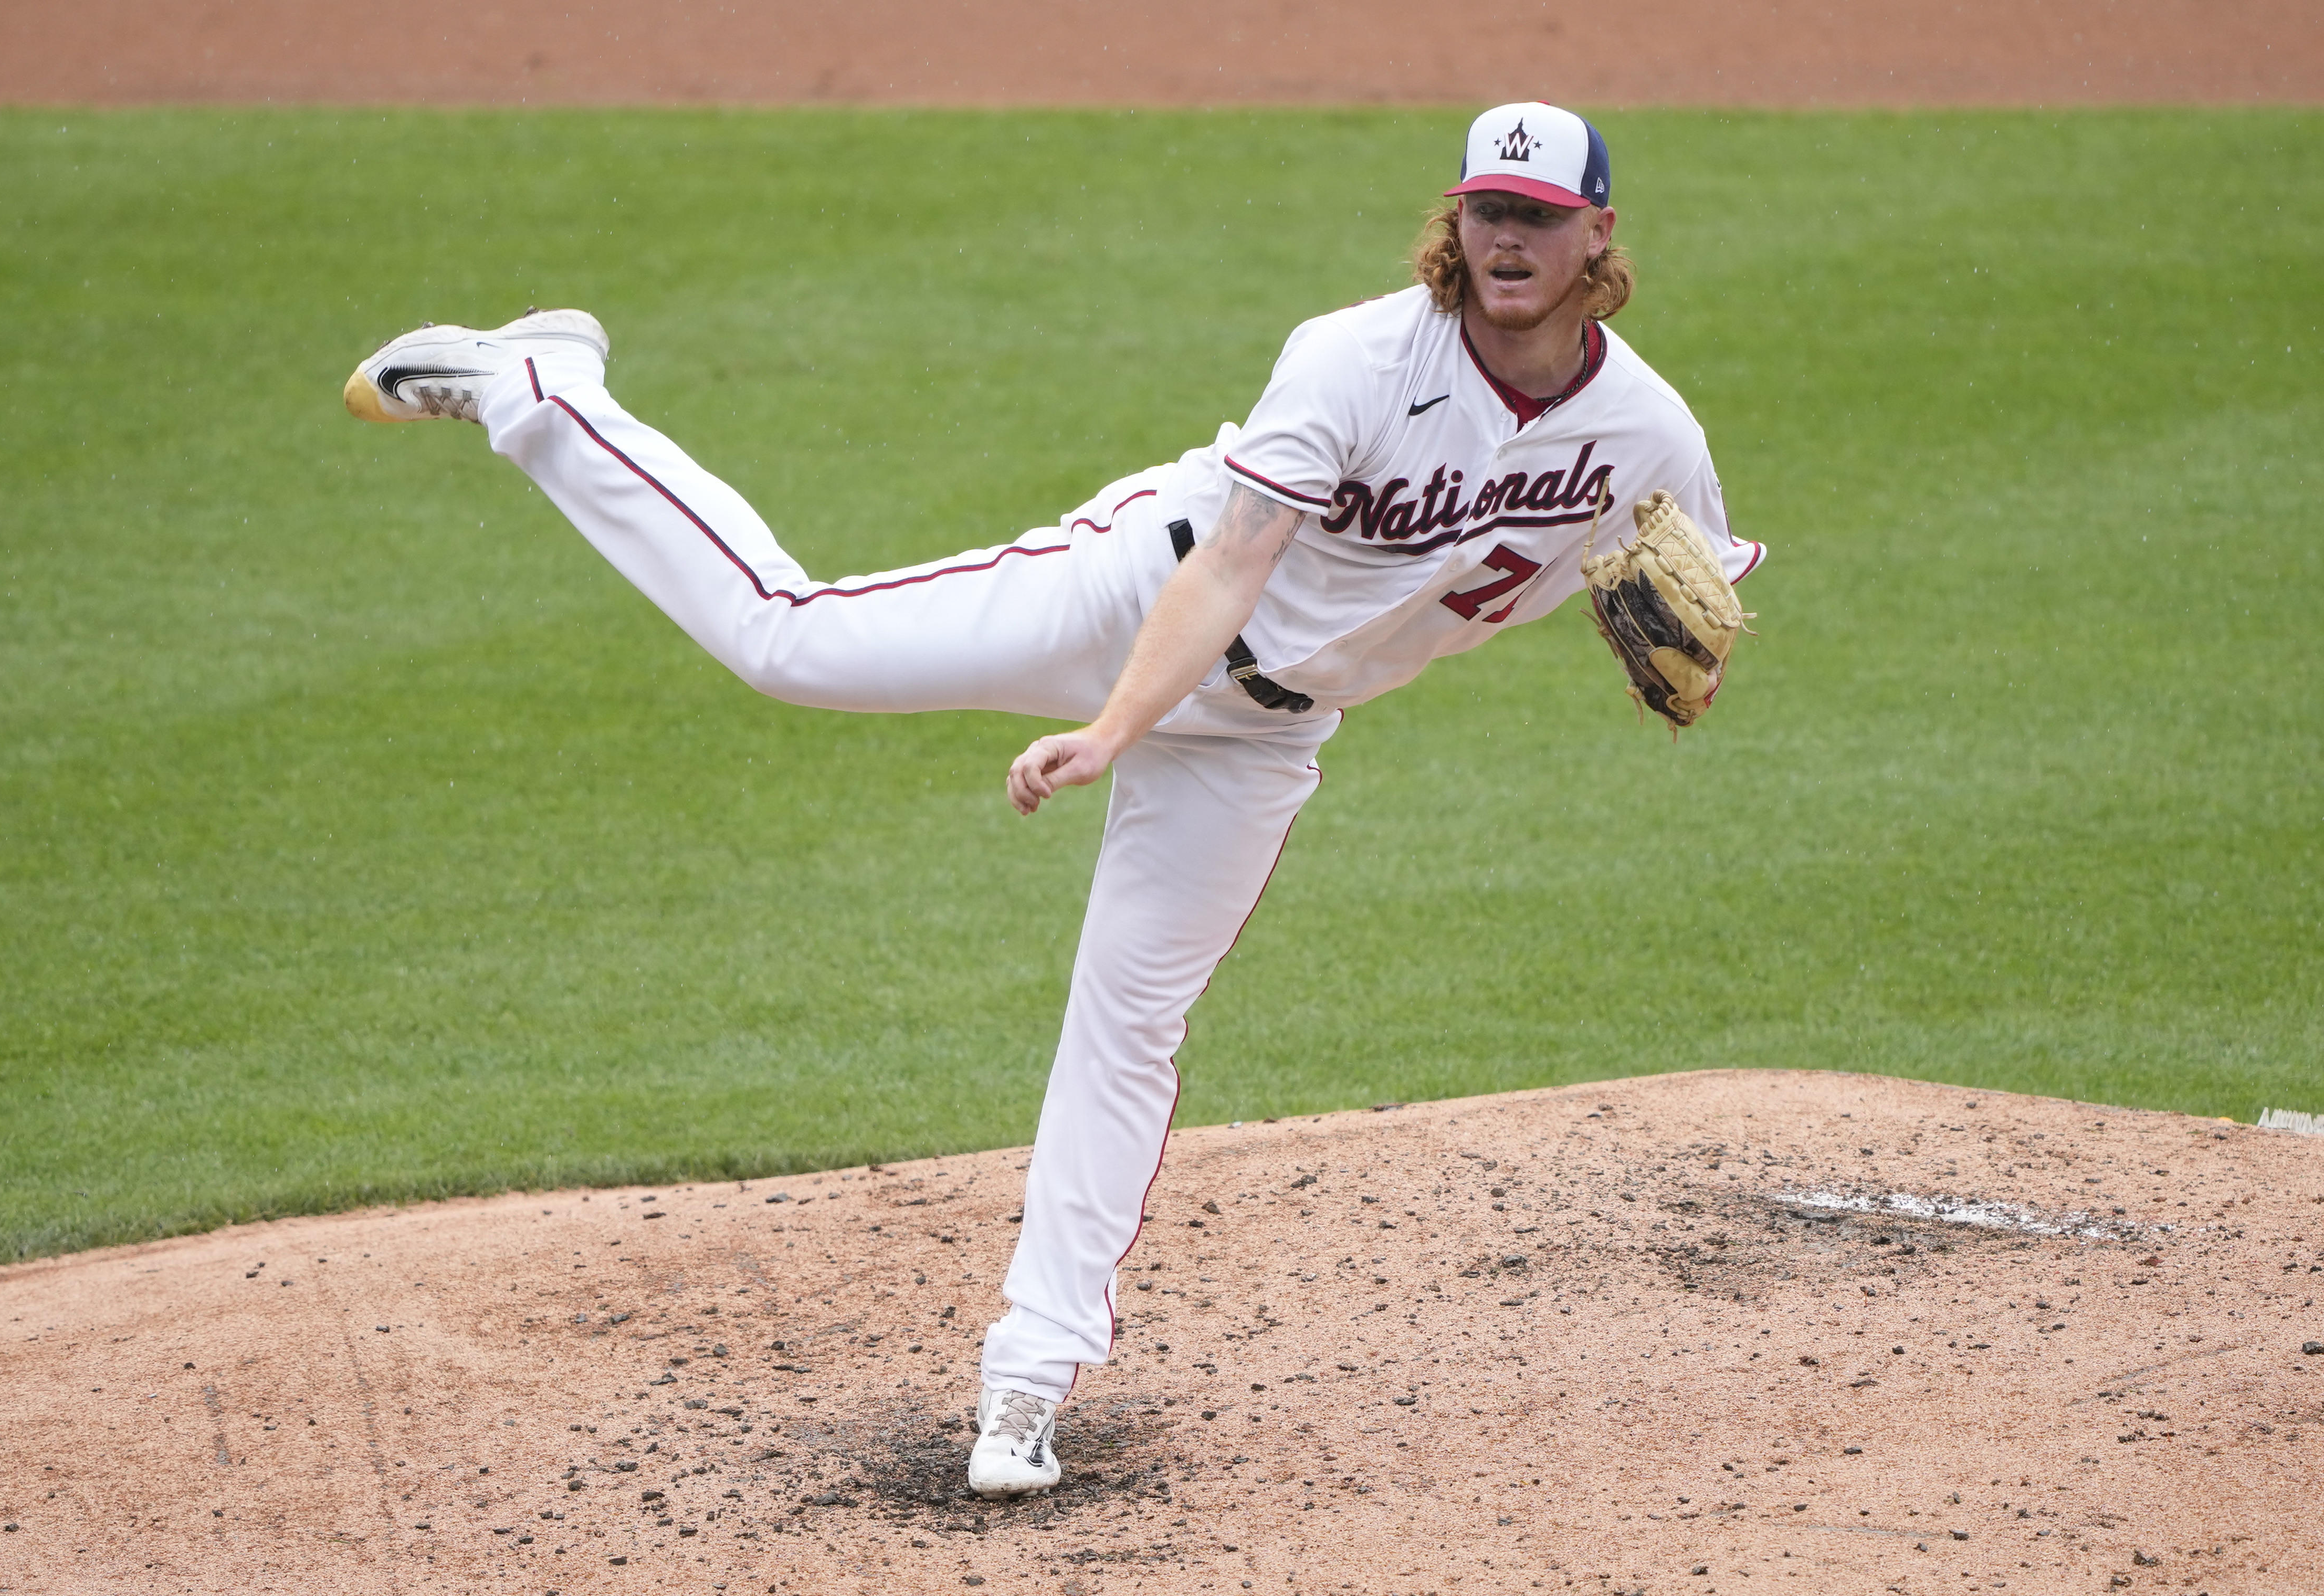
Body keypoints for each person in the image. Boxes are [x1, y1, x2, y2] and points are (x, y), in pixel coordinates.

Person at [340, 100, 1764, 1498]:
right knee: (791, 641)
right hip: (1133, 599)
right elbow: (1229, 569)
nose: (1508, 238)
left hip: (1262, 739)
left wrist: (1690, 673)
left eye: (1539, 217)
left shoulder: (1646, 427)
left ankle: (1026, 1385)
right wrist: (1112, 724)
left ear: (1598, 237)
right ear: (1457, 219)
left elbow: (1706, 590)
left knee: (1132, 1022)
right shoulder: (1356, 358)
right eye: (1487, 209)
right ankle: (546, 394)